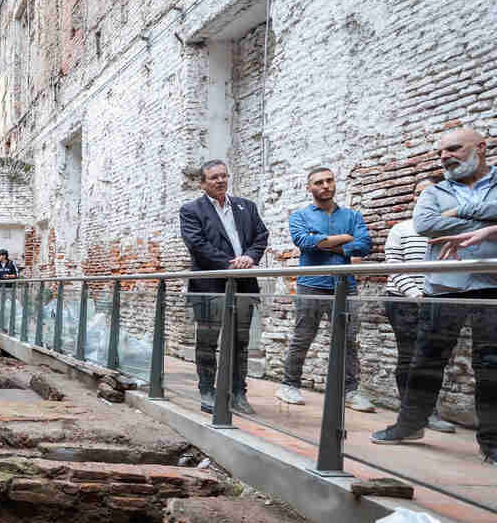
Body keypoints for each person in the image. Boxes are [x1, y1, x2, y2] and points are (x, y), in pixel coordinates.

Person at [373, 127, 497, 465]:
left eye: (454, 149)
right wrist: (488, 221)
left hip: (492, 285)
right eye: (441, 152)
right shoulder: (436, 191)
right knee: (426, 360)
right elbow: (426, 224)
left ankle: (492, 444)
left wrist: (458, 214)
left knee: (492, 366)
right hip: (444, 285)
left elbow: (442, 223)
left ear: (481, 148)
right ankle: (409, 425)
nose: (445, 157)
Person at [277, 167, 374, 411]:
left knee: (348, 339)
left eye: (330, 180)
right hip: (311, 284)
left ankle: (349, 391)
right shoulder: (300, 216)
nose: (325, 185)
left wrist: (326, 242)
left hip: (344, 285)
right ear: (309, 188)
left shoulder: (353, 216)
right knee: (303, 335)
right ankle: (289, 385)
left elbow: (363, 246)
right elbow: (304, 242)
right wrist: (345, 238)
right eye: (319, 182)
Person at [179, 160, 269, 416]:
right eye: (213, 177)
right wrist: (231, 263)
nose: (220, 181)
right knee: (207, 342)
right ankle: (207, 391)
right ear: (202, 183)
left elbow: (261, 236)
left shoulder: (246, 207)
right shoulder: (191, 210)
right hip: (210, 286)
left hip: (243, 284)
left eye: (223, 176)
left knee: (240, 343)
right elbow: (196, 244)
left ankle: (238, 393)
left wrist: (249, 258)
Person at [382, 178, 456, 433]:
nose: (422, 197)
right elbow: (394, 267)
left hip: (437, 301)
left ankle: (428, 412)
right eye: (418, 193)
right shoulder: (401, 229)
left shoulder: (450, 230)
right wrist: (416, 294)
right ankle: (410, 414)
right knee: (408, 357)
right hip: (403, 301)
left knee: (432, 359)